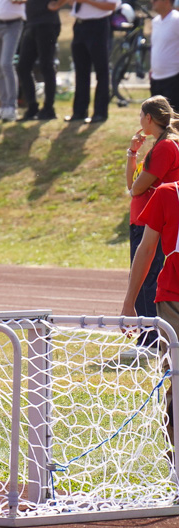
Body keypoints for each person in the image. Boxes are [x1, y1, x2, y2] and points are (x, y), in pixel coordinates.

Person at [120, 181, 179, 446]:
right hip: (174, 299)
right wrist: (129, 302)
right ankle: (176, 465)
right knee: (177, 380)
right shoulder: (168, 194)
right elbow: (146, 248)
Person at [122, 96, 179, 359]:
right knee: (143, 275)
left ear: (148, 118)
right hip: (144, 218)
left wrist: (135, 187)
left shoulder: (166, 146)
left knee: (148, 278)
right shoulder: (157, 146)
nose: (138, 121)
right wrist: (132, 153)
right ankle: (149, 339)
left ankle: (151, 340)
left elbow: (137, 188)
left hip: (153, 221)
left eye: (140, 116)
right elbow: (131, 184)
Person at [49, 0, 121, 123]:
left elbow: (112, 6)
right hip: (79, 25)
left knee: (101, 70)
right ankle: (79, 111)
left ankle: (100, 113)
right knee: (81, 71)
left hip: (98, 25)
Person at [16, 0, 61, 121]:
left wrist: (58, 4)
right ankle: (32, 107)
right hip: (31, 23)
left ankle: (49, 108)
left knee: (46, 65)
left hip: (47, 23)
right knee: (23, 67)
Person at [149, 0, 179, 110]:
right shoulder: (155, 21)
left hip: (173, 79)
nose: (152, 1)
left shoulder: (176, 19)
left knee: (174, 121)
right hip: (156, 79)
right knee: (158, 120)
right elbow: (157, 47)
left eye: (156, 0)